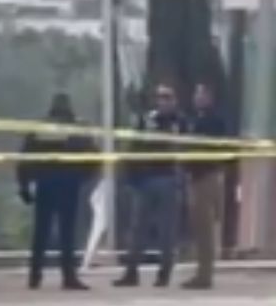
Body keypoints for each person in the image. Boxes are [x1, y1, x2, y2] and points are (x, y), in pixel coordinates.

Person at [17, 93, 97, 290]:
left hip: (46, 182)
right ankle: (68, 276)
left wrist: (24, 185)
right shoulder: (77, 127)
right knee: (67, 232)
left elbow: (25, 157)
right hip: (68, 183)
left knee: (41, 232)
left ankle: (35, 276)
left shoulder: (41, 127)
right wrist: (85, 178)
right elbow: (93, 155)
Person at [115, 83, 186, 288]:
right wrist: (130, 174)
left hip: (169, 179)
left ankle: (164, 273)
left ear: (174, 100)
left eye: (167, 97)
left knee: (167, 230)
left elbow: (182, 145)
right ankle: (131, 272)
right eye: (160, 97)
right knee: (138, 228)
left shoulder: (179, 121)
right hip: (146, 180)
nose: (163, 101)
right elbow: (134, 146)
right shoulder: (147, 120)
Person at [182, 83, 227, 289]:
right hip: (195, 177)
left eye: (201, 94)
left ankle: (205, 275)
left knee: (206, 229)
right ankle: (201, 271)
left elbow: (214, 147)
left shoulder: (214, 121)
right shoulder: (195, 119)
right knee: (198, 228)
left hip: (207, 177)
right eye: (196, 93)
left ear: (210, 97)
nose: (197, 97)